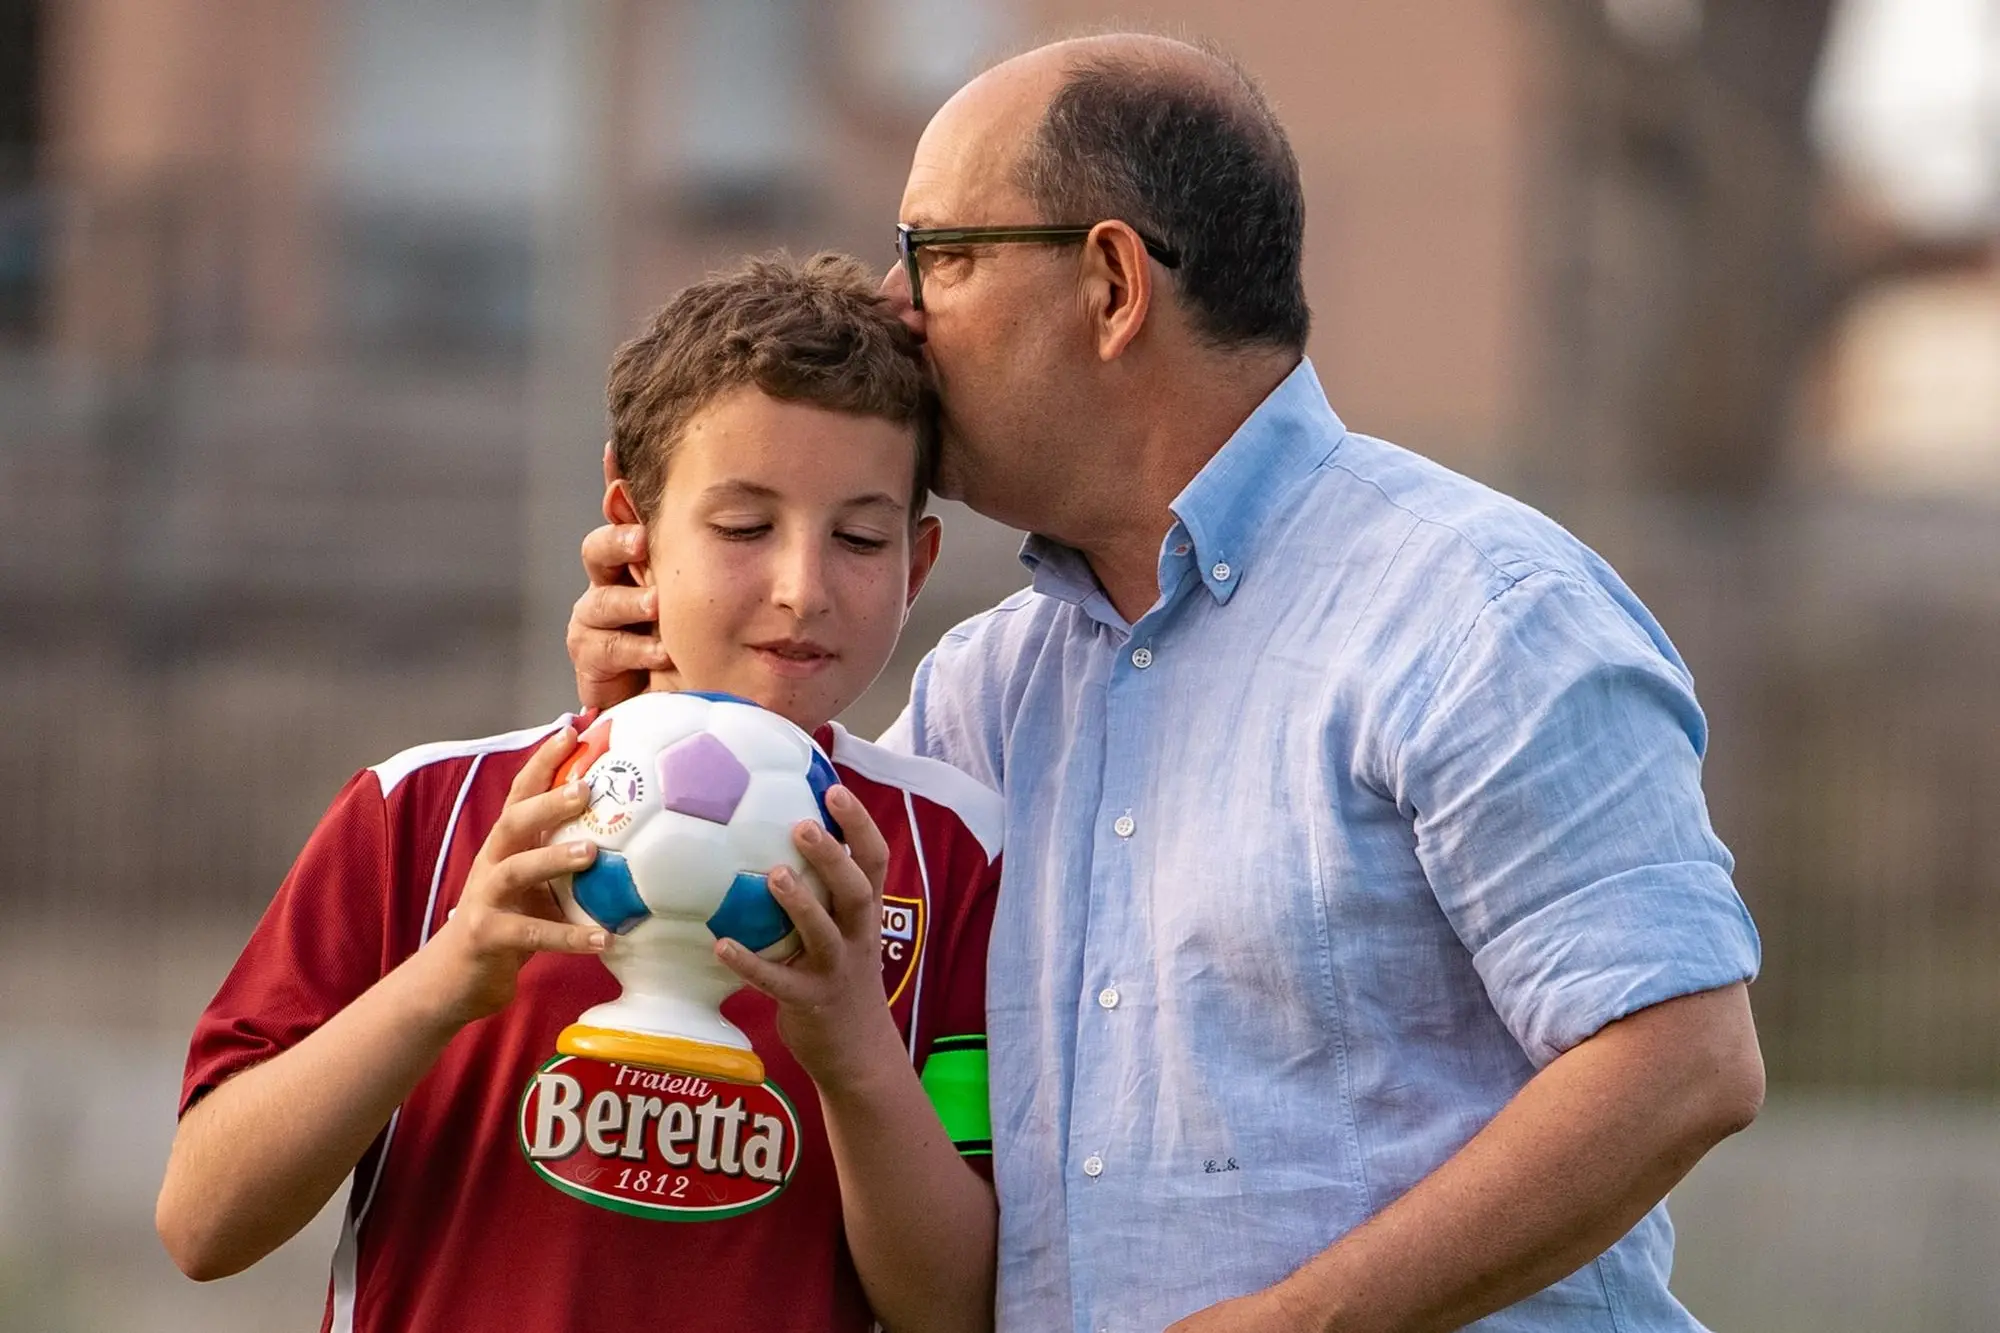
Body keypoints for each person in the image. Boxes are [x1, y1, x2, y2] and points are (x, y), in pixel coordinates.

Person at [567, 34, 1767, 1333]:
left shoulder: (1477, 612)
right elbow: (812, 1027)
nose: (894, 304)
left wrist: (1297, 1322)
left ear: (1110, 283)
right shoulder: (980, 689)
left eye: (938, 253)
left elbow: (1680, 1062)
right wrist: (648, 734)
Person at [156, 254, 1002, 1333]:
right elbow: (202, 1223)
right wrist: (445, 978)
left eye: (860, 538)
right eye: (744, 528)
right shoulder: (423, 812)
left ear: (918, 564)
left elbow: (954, 1310)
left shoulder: (950, 858)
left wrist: (854, 1050)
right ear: (630, 530)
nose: (803, 586)